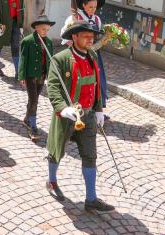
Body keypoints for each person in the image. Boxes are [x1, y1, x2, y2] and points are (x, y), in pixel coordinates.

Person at [45, 21, 114, 213]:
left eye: (92, 36)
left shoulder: (92, 55)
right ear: (74, 37)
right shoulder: (60, 59)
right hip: (68, 116)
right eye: (86, 36)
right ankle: (51, 181)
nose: (90, 39)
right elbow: (53, 87)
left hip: (88, 115)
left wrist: (98, 109)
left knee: (90, 155)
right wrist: (62, 109)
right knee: (57, 150)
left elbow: (95, 85)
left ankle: (91, 199)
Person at [63, 0, 110, 109]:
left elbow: (98, 37)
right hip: (78, 55)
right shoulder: (74, 18)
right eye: (90, 7)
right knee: (79, 79)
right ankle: (76, 106)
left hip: (94, 54)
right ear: (83, 6)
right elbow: (65, 38)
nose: (93, 10)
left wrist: (105, 39)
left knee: (97, 79)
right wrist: (77, 49)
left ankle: (97, 108)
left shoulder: (97, 19)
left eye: (95, 7)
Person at [18, 15, 55, 141]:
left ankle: (27, 119)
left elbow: (50, 59)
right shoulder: (28, 41)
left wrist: (51, 74)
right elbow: (23, 59)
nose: (45, 32)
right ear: (36, 28)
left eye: (47, 29)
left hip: (42, 74)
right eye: (43, 29)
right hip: (30, 75)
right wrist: (21, 76)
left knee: (34, 98)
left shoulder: (49, 42)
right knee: (34, 100)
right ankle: (32, 126)